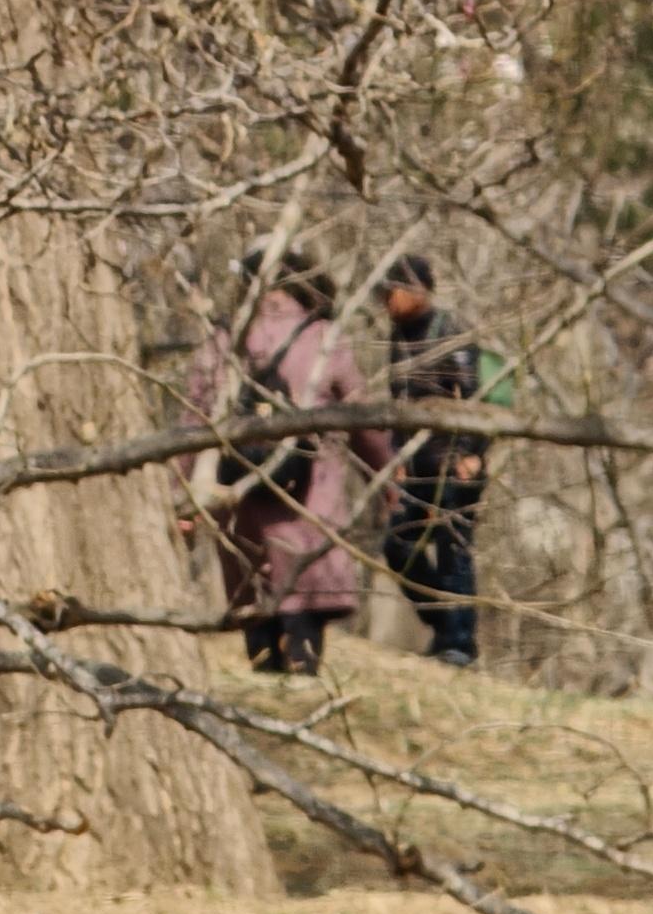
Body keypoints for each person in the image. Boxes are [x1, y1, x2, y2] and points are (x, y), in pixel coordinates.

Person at [185, 252, 390, 677]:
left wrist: (181, 495)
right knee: (304, 612)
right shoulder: (325, 339)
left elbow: (192, 422)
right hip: (310, 507)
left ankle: (266, 675)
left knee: (258, 606)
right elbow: (364, 419)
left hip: (242, 508)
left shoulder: (223, 341)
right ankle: (302, 677)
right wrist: (388, 475)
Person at [378, 250, 489, 668]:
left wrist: (471, 455)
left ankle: (459, 643)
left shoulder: (450, 331)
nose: (386, 302)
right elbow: (397, 404)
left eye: (393, 292)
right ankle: (442, 623)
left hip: (454, 462)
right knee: (398, 545)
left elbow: (474, 399)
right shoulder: (397, 338)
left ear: (417, 291)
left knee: (453, 550)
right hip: (413, 464)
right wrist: (396, 460)